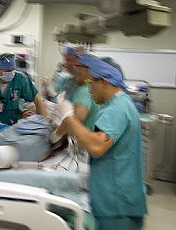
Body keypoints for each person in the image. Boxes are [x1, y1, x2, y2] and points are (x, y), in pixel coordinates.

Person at [57, 53, 147, 230]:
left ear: (104, 81)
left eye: (91, 83)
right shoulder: (116, 105)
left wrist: (69, 118)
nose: (88, 89)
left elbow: (96, 146)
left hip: (117, 205)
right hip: (115, 200)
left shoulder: (118, 108)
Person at [0, 52, 45, 127]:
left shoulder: (21, 79)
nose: (12, 73)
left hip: (12, 121)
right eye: (8, 71)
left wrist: (41, 122)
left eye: (13, 70)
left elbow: (37, 100)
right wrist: (3, 129)